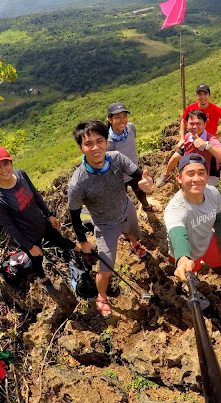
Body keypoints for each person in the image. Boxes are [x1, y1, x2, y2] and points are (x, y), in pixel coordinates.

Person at [67, 119, 154, 317]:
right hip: (105, 226)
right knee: (105, 270)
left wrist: (147, 182)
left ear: (106, 141)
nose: (95, 147)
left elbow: (139, 175)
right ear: (81, 147)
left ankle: (134, 244)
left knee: (134, 233)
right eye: (88, 144)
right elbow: (74, 214)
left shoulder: (116, 158)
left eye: (100, 141)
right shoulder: (77, 183)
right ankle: (102, 297)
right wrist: (82, 241)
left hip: (127, 208)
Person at [0, 146, 84, 295]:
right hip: (28, 236)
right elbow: (10, 228)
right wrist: (30, 246)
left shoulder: (21, 175)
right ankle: (44, 279)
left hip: (42, 223)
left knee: (61, 240)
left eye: (6, 163)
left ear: (11, 162)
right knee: (37, 260)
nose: (4, 169)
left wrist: (49, 215)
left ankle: (81, 250)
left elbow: (36, 196)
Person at [164, 153, 221, 308]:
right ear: (179, 178)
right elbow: (178, 236)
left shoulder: (212, 193)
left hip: (208, 244)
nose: (196, 178)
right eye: (190, 173)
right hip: (187, 256)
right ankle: (186, 286)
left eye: (201, 173)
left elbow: (219, 219)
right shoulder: (174, 210)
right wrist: (182, 259)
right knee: (189, 281)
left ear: (207, 176)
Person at [157, 84, 221, 186]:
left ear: (209, 95)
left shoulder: (215, 109)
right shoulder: (191, 108)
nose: (202, 97)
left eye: (205, 94)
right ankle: (166, 174)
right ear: (196, 96)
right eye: (200, 94)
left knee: (212, 158)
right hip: (191, 137)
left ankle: (210, 179)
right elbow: (183, 121)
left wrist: (218, 135)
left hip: (208, 139)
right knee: (176, 156)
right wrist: (182, 138)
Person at [106, 101, 157, 212]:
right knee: (121, 200)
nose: (123, 120)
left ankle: (146, 206)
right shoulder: (107, 141)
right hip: (118, 178)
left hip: (134, 170)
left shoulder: (131, 128)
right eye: (118, 117)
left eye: (125, 116)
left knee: (140, 191)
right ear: (109, 119)